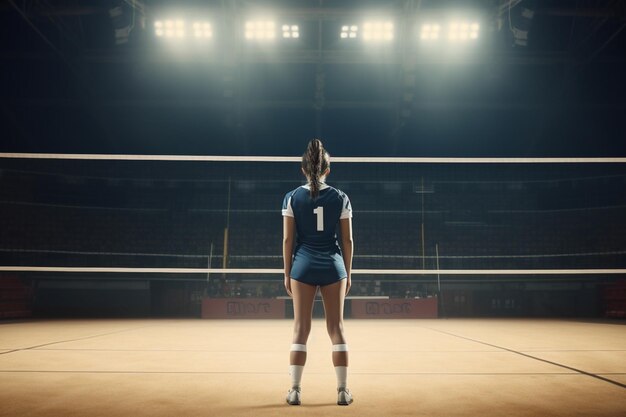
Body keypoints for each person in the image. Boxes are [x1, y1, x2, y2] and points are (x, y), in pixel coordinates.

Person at [281, 139, 354, 406]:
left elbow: (288, 241)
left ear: (303, 169)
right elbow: (347, 241)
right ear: (328, 169)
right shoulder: (341, 197)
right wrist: (348, 271)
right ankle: (343, 392)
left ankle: (295, 391)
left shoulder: (291, 197)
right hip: (334, 266)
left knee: (300, 329)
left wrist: (287, 272)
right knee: (337, 329)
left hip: (303, 266)